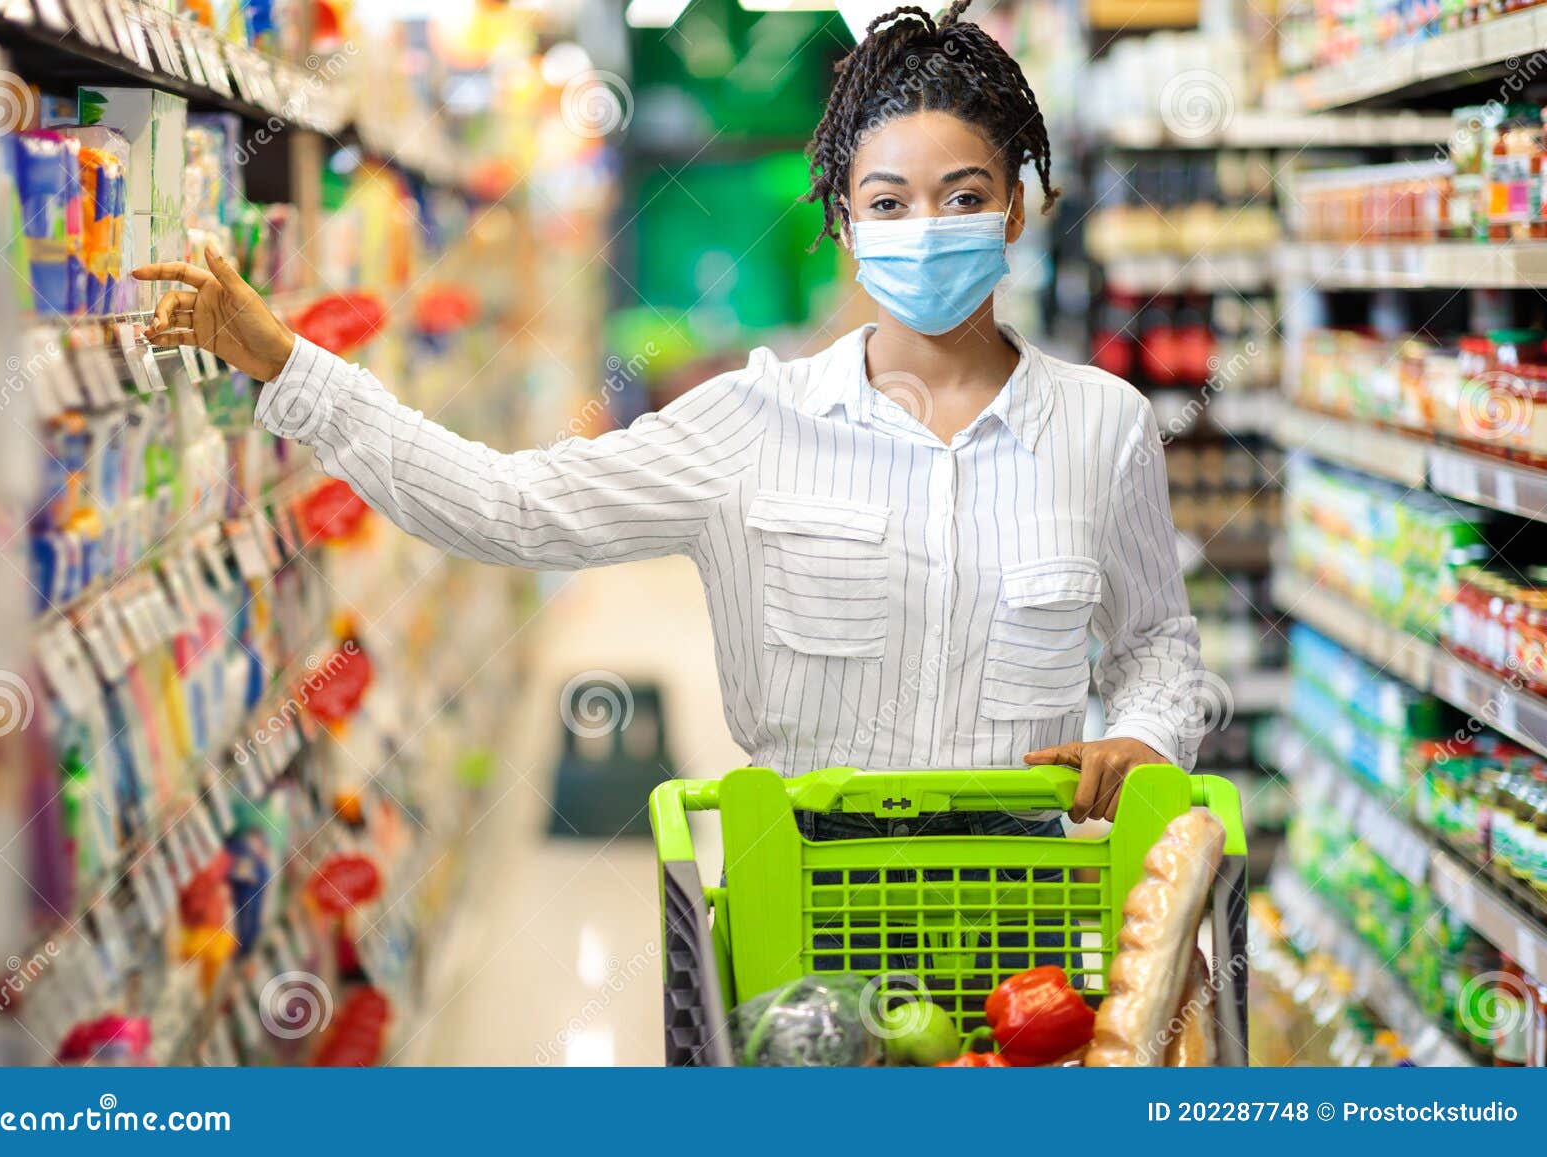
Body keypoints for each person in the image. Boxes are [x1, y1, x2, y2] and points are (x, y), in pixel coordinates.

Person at [134, 1, 1203, 841]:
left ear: (1015, 207)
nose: (927, 231)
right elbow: (511, 508)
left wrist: (1146, 734)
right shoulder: (753, 423)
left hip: (1033, 920)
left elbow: (1157, 642)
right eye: (889, 203)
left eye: (963, 196)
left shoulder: (1099, 427)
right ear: (842, 222)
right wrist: (291, 366)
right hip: (808, 909)